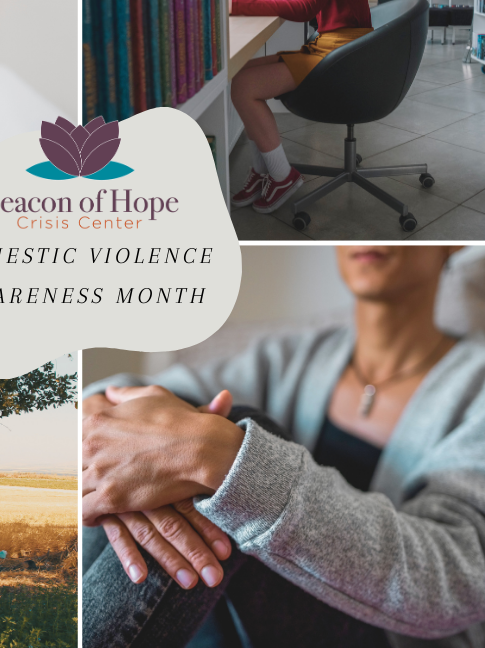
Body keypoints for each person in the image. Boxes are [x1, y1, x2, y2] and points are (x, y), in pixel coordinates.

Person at [82, 246, 485, 648]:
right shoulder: (295, 355)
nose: (367, 240)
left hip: (389, 637)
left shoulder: (477, 386)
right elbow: (137, 395)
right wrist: (99, 411)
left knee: (240, 432)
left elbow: (462, 577)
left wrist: (229, 464)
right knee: (166, 441)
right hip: (225, 624)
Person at [228, 0, 373, 214]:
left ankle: (282, 176)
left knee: (244, 86)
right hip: (328, 46)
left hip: (347, 53)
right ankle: (265, 170)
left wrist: (232, 5)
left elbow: (305, 7)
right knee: (238, 74)